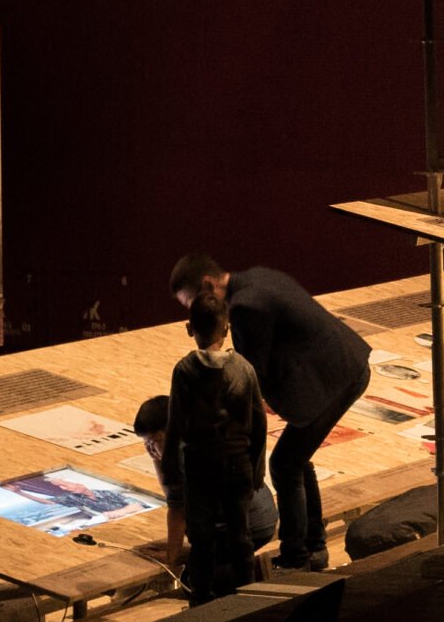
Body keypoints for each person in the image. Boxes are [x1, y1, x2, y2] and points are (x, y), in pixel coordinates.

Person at [170, 253, 371, 571]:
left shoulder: (247, 306)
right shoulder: (256, 275)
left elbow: (253, 374)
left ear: (209, 284)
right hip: (339, 365)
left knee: (284, 465)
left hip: (334, 378)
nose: (196, 313)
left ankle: (297, 558)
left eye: (194, 303)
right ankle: (314, 547)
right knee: (296, 461)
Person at [163, 287, 271, 600]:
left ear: (189, 329)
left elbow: (175, 426)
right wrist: (257, 470)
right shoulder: (244, 369)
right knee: (241, 536)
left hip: (199, 469)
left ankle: (201, 603)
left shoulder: (184, 371)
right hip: (237, 466)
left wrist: (172, 474)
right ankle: (247, 600)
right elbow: (259, 424)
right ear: (226, 329)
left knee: (202, 540)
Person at [132, 393, 278, 566]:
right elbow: (172, 493)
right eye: (146, 444)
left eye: (155, 441)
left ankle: (211, 558)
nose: (150, 448)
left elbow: (178, 511)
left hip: (250, 528)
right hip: (261, 518)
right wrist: (158, 458)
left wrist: (172, 556)